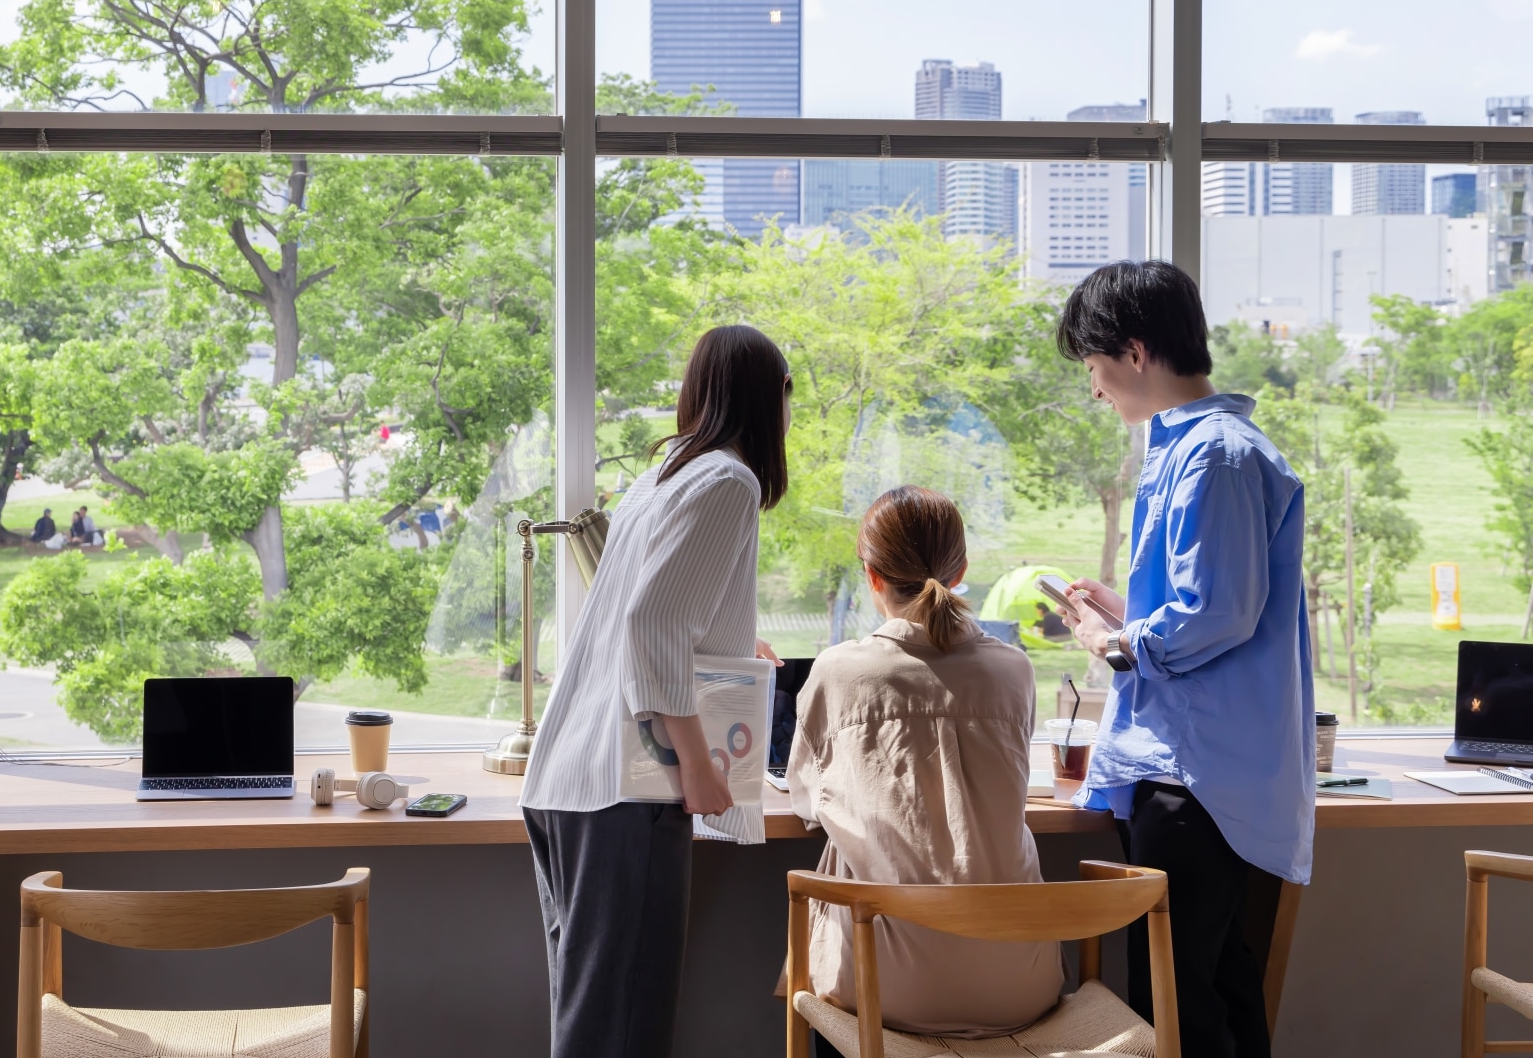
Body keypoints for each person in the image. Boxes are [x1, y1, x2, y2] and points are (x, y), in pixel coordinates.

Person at [1055, 260, 1312, 1058]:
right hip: (1198, 767)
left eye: (1094, 368)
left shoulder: (1215, 455)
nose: (1094, 390)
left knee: (1181, 999)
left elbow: (1219, 614)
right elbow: (1218, 606)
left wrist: (1115, 644)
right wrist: (1127, 615)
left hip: (1198, 778)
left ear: (1135, 352)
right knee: (1209, 984)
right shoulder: (1195, 450)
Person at [520, 325, 792, 1058]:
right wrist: (700, 765)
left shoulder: (664, 474)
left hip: (569, 779)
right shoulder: (729, 480)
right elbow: (653, 621)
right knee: (622, 1034)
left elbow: (649, 612)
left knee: (590, 1026)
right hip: (624, 790)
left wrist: (734, 649)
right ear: (771, 402)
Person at [788, 486, 1060, 1046]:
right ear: (960, 571)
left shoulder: (839, 672)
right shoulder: (1014, 671)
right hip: (1020, 984)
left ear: (872, 576)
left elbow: (806, 800)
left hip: (883, 991)